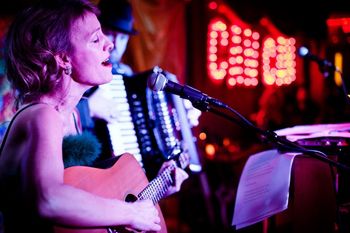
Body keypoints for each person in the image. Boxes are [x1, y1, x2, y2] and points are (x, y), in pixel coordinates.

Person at [0, 0, 188, 232]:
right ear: (63, 58)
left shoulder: (72, 118)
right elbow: (49, 200)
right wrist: (131, 213)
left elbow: (85, 203)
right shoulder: (43, 115)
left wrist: (155, 189)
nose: (109, 44)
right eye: (96, 39)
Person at [80, 0, 201, 179]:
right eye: (109, 33)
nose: (113, 43)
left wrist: (177, 118)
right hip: (86, 173)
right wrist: (88, 108)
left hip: (118, 180)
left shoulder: (127, 75)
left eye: (122, 37)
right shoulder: (81, 70)